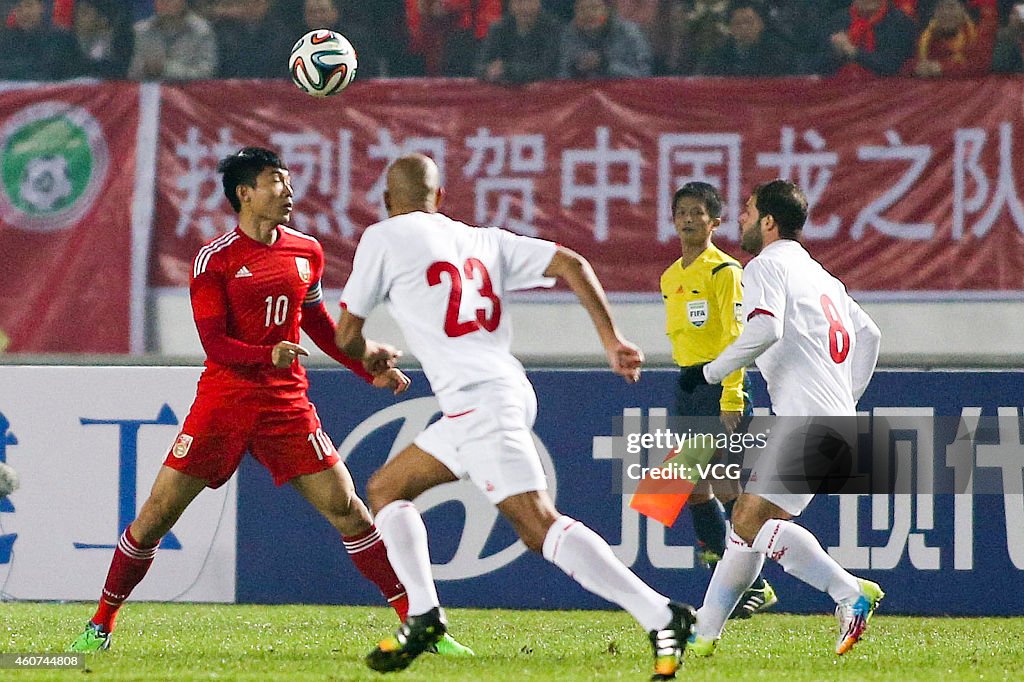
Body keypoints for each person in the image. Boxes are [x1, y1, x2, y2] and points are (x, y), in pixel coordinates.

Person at [69, 147, 472, 658]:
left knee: (350, 511)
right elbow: (215, 344)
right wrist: (268, 352)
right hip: (224, 404)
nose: (288, 192)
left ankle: (420, 629)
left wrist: (364, 363)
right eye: (276, 182)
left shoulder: (306, 251)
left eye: (287, 181)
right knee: (155, 517)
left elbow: (321, 326)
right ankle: (99, 626)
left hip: (286, 405)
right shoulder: (214, 260)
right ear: (245, 194)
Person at [334, 154, 695, 678]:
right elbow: (573, 262)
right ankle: (425, 616)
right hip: (495, 393)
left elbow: (346, 336)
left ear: (388, 203)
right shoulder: (486, 239)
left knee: (538, 526)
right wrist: (611, 340)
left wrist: (370, 354)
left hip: (480, 401)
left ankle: (661, 614)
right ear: (441, 198)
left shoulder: (384, 237)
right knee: (388, 488)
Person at [677, 180, 883, 657]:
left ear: (768, 221)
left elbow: (765, 327)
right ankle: (704, 632)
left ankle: (848, 590)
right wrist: (843, 396)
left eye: (748, 212)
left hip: (806, 421)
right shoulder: (820, 275)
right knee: (747, 528)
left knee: (749, 524)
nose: (742, 220)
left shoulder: (765, 265)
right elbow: (869, 334)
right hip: (833, 420)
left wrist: (710, 373)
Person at [660, 182, 777, 620]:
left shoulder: (724, 272)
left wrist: (732, 394)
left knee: (728, 487)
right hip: (689, 384)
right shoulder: (671, 277)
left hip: (719, 385)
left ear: (716, 221)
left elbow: (735, 338)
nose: (688, 219)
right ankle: (736, 576)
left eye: (698, 212)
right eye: (682, 212)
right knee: (689, 488)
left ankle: (750, 582)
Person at [819, 0, 918, 77]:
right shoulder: (837, 21)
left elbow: (891, 66)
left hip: (888, 91)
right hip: (843, 87)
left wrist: (853, 51)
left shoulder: (901, 22)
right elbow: (818, 63)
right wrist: (835, 53)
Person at [558, 0, 653, 78]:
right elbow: (561, 75)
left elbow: (643, 75)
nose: (588, 14)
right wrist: (575, 69)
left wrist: (605, 65)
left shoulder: (629, 33)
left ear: (607, 11)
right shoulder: (569, 34)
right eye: (581, 9)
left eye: (594, 8)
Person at [903, 0, 998, 77]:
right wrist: (917, 68)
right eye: (941, 8)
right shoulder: (926, 36)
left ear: (963, 11)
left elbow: (980, 65)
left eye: (951, 7)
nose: (946, 13)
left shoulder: (977, 31)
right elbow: (907, 64)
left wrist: (941, 68)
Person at [127, 0, 217, 81]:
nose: (164, 2)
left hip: (187, 96)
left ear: (184, 2)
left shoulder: (202, 31)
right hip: (149, 94)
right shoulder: (141, 31)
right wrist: (146, 68)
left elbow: (206, 74)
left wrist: (166, 68)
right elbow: (130, 73)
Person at [476, 0, 563, 83]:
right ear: (511, 5)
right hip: (504, 92)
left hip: (542, 94)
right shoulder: (498, 29)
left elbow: (546, 69)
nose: (525, 8)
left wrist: (506, 69)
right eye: (519, 2)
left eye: (530, 2)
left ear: (539, 3)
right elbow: (479, 66)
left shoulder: (552, 29)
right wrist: (488, 71)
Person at [698, 2, 794, 76]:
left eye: (749, 22)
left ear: (761, 24)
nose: (744, 28)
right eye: (738, 23)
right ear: (730, 29)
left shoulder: (778, 54)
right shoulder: (718, 57)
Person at [0, 0, 78, 81]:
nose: (25, 12)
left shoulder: (61, 38)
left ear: (41, 8)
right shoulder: (6, 41)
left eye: (29, 5)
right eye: (19, 8)